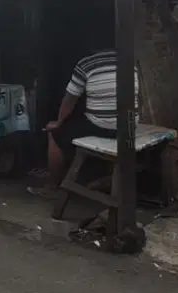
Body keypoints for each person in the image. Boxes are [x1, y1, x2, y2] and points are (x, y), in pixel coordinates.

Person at [29, 50, 140, 198]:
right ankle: (100, 178)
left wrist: (59, 122)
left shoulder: (87, 64)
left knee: (54, 134)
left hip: (102, 126)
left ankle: (52, 187)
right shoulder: (129, 60)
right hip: (129, 125)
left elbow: (69, 100)